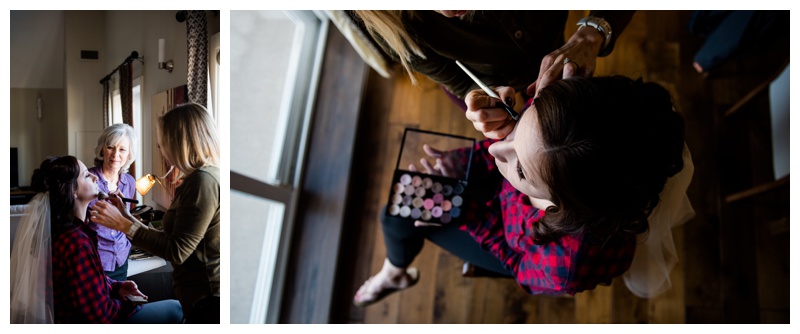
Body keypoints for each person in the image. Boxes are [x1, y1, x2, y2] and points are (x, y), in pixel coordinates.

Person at [353, 75, 694, 306]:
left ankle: (392, 272)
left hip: (509, 244)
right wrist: (464, 164)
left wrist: (468, 211)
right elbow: (516, 149)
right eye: (518, 127)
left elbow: (519, 265)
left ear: (564, 205)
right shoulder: (565, 127)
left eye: (520, 169)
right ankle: (394, 271)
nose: (492, 148)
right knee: (405, 203)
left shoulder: (567, 265)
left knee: (399, 212)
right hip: (505, 200)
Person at [352, 10, 635, 138]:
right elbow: (456, 78)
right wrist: (478, 93)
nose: (449, 11)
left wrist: (593, 32)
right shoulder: (378, 16)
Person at [10, 156, 183, 323]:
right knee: (176, 308)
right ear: (73, 191)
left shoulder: (65, 232)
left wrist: (116, 287)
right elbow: (99, 315)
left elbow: (86, 287)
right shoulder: (76, 243)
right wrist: (130, 302)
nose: (94, 176)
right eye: (86, 175)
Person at [91, 102, 220, 324]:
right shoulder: (197, 179)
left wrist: (124, 224)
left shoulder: (203, 181)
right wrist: (127, 218)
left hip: (207, 298)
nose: (160, 148)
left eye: (163, 141)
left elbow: (177, 250)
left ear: (180, 141)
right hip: (197, 297)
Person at [87, 123, 138, 281]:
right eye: (110, 147)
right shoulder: (87, 180)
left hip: (121, 258)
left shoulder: (129, 182)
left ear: (129, 154)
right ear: (102, 149)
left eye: (122, 149)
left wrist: (122, 209)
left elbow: (127, 219)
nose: (116, 155)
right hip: (95, 259)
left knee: (120, 302)